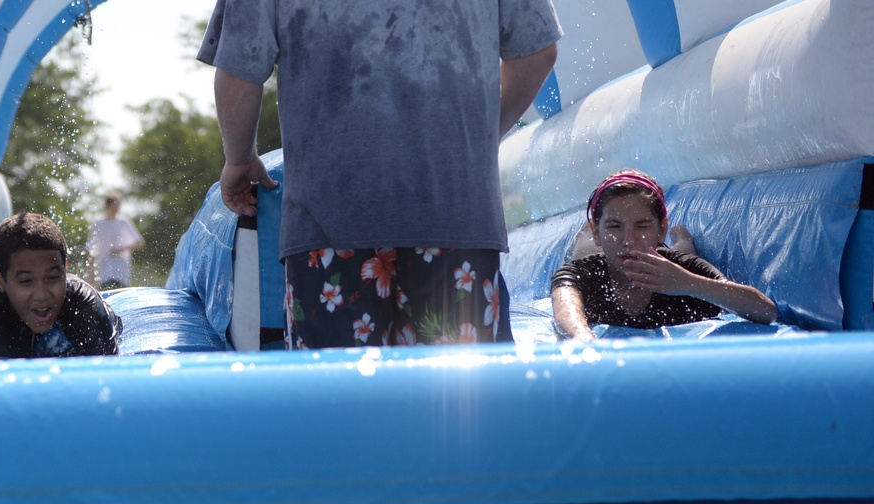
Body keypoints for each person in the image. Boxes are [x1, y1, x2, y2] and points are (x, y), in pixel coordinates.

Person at [199, 1, 561, 349]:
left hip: (331, 228)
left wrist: (239, 159)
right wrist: (481, 139)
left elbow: (238, 71)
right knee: (463, 402)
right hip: (457, 221)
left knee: (339, 400)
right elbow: (538, 52)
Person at [550, 171, 777, 340]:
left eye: (642, 225)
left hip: (669, 257)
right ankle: (586, 235)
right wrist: (586, 341)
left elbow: (766, 311)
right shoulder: (581, 274)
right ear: (597, 232)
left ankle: (682, 239)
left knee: (680, 253)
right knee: (584, 252)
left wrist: (688, 283)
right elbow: (565, 312)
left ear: (661, 229)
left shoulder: (683, 270)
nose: (628, 239)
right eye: (614, 226)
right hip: (600, 253)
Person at [0, 212, 122, 359]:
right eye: (26, 281)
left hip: (73, 290)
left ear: (65, 268)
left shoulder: (84, 304)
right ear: (1, 279)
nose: (41, 295)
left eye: (54, 277)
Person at [86, 191, 144, 290]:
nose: (115, 208)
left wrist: (121, 249)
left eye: (117, 205)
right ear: (107, 206)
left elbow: (140, 243)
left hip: (121, 270)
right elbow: (89, 249)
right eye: (113, 205)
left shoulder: (124, 222)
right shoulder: (99, 223)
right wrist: (91, 273)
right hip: (104, 269)